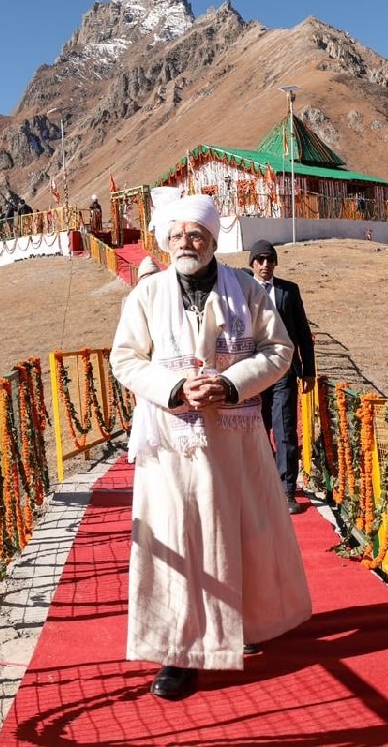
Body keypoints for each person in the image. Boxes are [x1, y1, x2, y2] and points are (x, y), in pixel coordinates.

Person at [110, 195, 312, 700]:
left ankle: (239, 627)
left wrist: (231, 384)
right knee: (179, 543)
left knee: (239, 535)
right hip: (172, 448)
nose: (186, 243)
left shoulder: (246, 288)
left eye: (195, 234)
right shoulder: (146, 294)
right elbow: (125, 359)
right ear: (166, 241)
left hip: (235, 441)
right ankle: (181, 653)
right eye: (176, 235)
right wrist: (175, 389)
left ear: (213, 239)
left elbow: (279, 349)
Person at [248, 239, 316, 514]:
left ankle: (287, 490)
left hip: (284, 370)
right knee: (257, 429)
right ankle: (263, 484)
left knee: (285, 428)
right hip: (252, 371)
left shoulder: (289, 291)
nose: (265, 265)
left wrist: (308, 370)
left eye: (270, 260)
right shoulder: (243, 290)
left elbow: (302, 332)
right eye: (260, 260)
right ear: (252, 264)